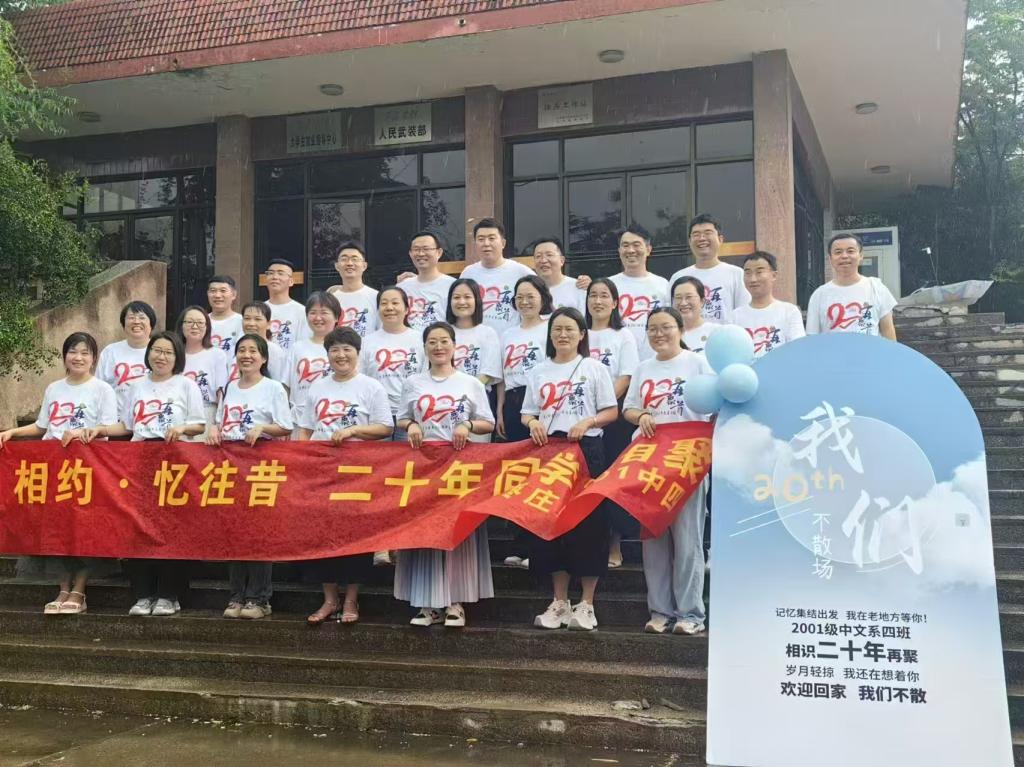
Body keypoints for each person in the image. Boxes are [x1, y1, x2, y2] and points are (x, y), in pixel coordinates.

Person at [0, 332, 119, 615]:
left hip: (86, 470)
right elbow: (43, 426)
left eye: (85, 353)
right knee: (56, 530)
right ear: (65, 356)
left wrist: (83, 433)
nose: (78, 357)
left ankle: (79, 591)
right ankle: (63, 588)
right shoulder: (54, 388)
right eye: (73, 352)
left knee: (83, 529)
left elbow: (108, 429)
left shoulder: (102, 389)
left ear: (94, 358)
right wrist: (13, 432)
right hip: (54, 469)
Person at [521, 308, 618, 632]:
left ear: (581, 334)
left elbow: (610, 411)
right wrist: (532, 422)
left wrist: (588, 421)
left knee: (590, 525)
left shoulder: (594, 368)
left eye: (569, 329)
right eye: (557, 329)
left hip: (586, 452)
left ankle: (587, 603)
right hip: (549, 452)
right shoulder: (538, 371)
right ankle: (559, 601)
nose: (563, 335)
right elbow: (527, 412)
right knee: (552, 525)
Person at [395, 321, 496, 628]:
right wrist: (412, 425)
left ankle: (456, 602)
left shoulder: (470, 383)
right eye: (432, 342)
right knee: (425, 531)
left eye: (444, 341)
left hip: (458, 466)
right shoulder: (413, 382)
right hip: (424, 466)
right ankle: (427, 604)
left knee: (456, 532)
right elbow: (401, 418)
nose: (438, 347)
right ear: (424, 348)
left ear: (454, 346)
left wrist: (467, 425)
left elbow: (488, 422)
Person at [98, 332, 206, 618]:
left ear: (177, 357)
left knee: (171, 528)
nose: (161, 356)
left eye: (168, 352)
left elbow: (199, 424)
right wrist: (99, 430)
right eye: (157, 350)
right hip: (140, 460)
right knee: (138, 527)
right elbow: (126, 426)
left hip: (174, 461)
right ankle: (143, 594)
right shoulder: (136, 386)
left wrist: (182, 428)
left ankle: (169, 594)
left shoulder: (186, 385)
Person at [623, 307, 713, 635]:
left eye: (666, 327)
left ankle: (691, 614)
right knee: (654, 540)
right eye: (652, 328)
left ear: (680, 329)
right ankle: (659, 611)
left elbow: (714, 406)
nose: (659, 334)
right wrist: (641, 416)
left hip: (687, 461)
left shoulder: (698, 363)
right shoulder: (643, 368)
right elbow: (629, 408)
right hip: (650, 463)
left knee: (688, 540)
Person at [297, 326, 393, 625]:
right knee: (322, 534)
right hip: (323, 471)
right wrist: (303, 460)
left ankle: (351, 599)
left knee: (354, 535)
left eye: (346, 349)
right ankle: (329, 599)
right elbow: (306, 429)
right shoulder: (317, 387)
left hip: (357, 472)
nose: (341, 355)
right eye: (334, 350)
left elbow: (385, 427)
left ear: (357, 353)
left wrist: (353, 431)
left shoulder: (371, 387)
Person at [207, 333, 294, 620]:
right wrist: (214, 429)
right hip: (230, 465)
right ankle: (236, 595)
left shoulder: (273, 388)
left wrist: (263, 428)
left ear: (264, 357)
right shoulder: (230, 387)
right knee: (234, 531)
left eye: (253, 351)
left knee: (258, 532)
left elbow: (285, 425)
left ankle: (259, 598)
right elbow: (221, 420)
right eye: (242, 350)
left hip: (260, 465)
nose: (247, 355)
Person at [585, 277, 640, 569]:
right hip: (582, 419)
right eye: (593, 295)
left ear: (615, 302)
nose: (598, 301)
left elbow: (626, 376)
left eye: (604, 295)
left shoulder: (623, 335)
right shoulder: (579, 333)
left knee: (613, 481)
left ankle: (615, 544)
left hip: (614, 417)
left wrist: (603, 405)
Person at [807, 233, 898, 340]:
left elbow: (888, 331)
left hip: (870, 350)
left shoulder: (876, 288)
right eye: (838, 252)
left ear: (861, 256)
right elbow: (812, 337)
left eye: (850, 251)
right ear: (830, 259)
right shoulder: (819, 295)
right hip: (832, 351)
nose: (844, 256)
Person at [359, 286, 424, 434]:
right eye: (384, 303)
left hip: (411, 417)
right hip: (376, 416)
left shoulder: (420, 339)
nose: (389, 308)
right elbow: (361, 379)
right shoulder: (366, 342)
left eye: (395, 303)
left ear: (406, 309)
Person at [496, 275, 552, 441]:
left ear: (543, 298)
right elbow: (503, 378)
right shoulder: (507, 334)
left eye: (530, 297)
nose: (524, 302)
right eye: (519, 297)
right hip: (512, 400)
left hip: (541, 399)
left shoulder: (551, 328)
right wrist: (500, 410)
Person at [669, 214, 751, 324]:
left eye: (708, 233)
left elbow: (744, 314)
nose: (702, 238)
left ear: (720, 239)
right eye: (696, 234)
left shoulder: (736, 274)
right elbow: (671, 316)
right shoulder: (678, 277)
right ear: (689, 241)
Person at [460, 218, 535, 334]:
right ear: (475, 244)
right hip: (477, 341)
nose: (486, 244)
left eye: (491, 238)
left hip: (511, 341)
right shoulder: (468, 273)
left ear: (503, 243)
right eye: (481, 239)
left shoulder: (521, 272)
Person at [729, 251, 806, 357]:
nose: (753, 279)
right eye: (748, 273)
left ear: (774, 275)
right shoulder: (734, 317)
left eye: (759, 272)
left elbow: (798, 349)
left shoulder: (789, 312)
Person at [609, 225, 668, 360]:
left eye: (636, 245)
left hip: (655, 360)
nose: (630, 250)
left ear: (648, 250)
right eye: (625, 245)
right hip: (618, 360)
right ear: (619, 251)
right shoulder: (609, 285)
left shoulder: (663, 284)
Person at [446, 278, 502, 418]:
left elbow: (488, 372)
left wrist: (466, 393)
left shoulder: (487, 333)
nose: (462, 302)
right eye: (456, 297)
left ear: (476, 300)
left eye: (467, 297)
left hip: (479, 399)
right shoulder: (444, 332)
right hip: (446, 399)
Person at [285, 291, 341, 432]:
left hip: (335, 421)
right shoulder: (297, 348)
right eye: (313, 313)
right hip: (300, 421)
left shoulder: (343, 348)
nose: (318, 318)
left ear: (336, 317)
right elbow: (286, 386)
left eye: (324, 312)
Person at [97, 300, 156, 423]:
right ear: (123, 324)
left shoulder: (160, 349)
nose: (136, 321)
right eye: (131, 317)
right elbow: (99, 389)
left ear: (151, 323)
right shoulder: (110, 351)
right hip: (117, 422)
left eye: (142, 318)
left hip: (152, 420)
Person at [177, 304, 228, 433]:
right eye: (189, 322)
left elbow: (221, 393)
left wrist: (217, 424)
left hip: (207, 415)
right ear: (181, 325)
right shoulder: (173, 354)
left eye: (200, 323)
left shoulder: (217, 355)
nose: (195, 326)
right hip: (178, 415)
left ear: (207, 327)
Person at [399, 230, 456, 332]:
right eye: (416, 249)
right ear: (410, 254)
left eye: (426, 249)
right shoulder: (402, 288)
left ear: (439, 253)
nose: (421, 253)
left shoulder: (453, 286)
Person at [327, 241, 380, 338]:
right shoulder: (330, 300)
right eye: (344, 259)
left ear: (364, 266)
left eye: (355, 259)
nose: (349, 263)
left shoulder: (376, 297)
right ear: (337, 266)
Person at [230, 302, 289, 384]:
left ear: (268, 324)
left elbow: (277, 383)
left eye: (257, 319)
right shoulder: (235, 349)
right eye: (247, 318)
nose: (251, 324)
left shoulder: (274, 351)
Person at [263, 258, 312, 351]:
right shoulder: (259, 310)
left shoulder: (301, 311)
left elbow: (304, 345)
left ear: (291, 281)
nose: (275, 277)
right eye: (271, 273)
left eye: (280, 273)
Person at [532, 237, 585, 311]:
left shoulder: (578, 287)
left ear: (562, 260)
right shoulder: (530, 290)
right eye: (538, 256)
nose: (543, 260)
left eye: (549, 255)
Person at [671, 276, 719, 355]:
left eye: (689, 297)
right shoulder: (666, 335)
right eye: (678, 298)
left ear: (702, 301)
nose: (683, 303)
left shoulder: (716, 333)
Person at [207, 274, 243, 354]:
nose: (217, 295)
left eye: (223, 291)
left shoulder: (242, 322)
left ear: (233, 294)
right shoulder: (201, 322)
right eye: (213, 291)